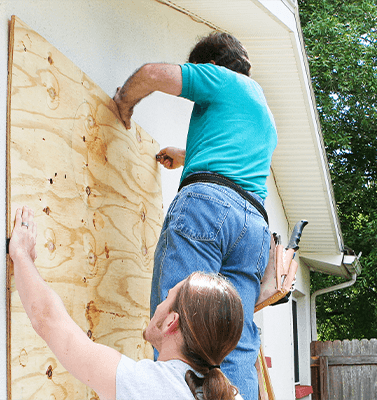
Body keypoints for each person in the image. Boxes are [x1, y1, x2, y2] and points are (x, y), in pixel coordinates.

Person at [113, 32, 277, 399]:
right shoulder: (262, 112)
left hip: (208, 211)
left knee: (180, 327)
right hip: (253, 228)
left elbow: (152, 73)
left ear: (209, 64)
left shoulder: (220, 78)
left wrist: (124, 103)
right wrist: (185, 156)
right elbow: (232, 160)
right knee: (231, 337)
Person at [9, 206, 245, 400]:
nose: (159, 306)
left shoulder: (150, 387)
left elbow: (48, 320)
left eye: (166, 299)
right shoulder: (232, 396)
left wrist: (20, 253)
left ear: (171, 322)